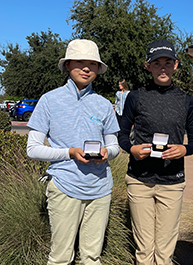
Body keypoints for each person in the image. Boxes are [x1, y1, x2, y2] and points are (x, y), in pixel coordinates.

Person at [26, 39, 120, 265]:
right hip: (64, 187)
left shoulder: (104, 104)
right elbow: (33, 149)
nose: (86, 68)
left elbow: (115, 146)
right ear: (67, 65)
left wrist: (108, 152)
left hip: (100, 190)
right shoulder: (50, 100)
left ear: (98, 69)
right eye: (79, 62)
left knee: (92, 257)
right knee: (60, 258)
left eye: (92, 64)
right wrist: (69, 152)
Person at [118, 39, 193, 265]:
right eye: (156, 63)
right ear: (148, 66)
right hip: (139, 181)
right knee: (144, 250)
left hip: (172, 182)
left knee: (164, 252)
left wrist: (183, 149)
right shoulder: (135, 97)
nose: (162, 68)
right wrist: (132, 149)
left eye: (167, 62)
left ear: (176, 65)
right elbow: (122, 136)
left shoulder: (187, 101)